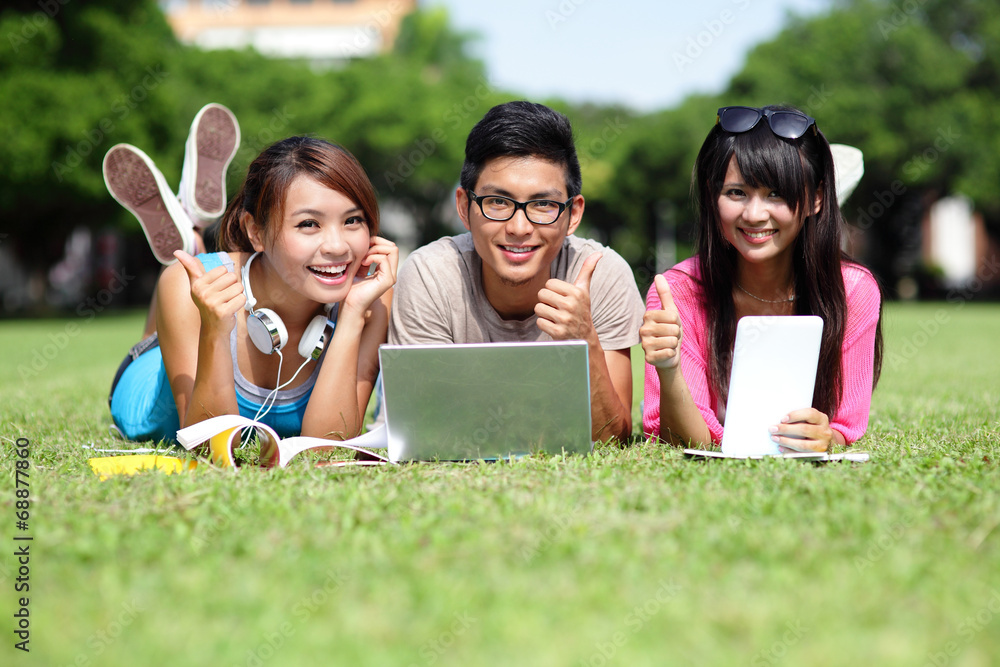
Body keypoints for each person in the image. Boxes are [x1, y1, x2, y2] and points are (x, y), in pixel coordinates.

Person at [107, 135, 397, 443]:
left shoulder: (370, 295)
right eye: (309, 224)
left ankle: (193, 237)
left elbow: (328, 447)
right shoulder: (187, 286)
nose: (338, 247)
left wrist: (351, 316)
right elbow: (209, 446)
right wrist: (215, 331)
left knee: (187, 278)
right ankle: (190, 246)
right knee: (179, 279)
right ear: (255, 232)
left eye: (352, 220)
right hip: (148, 380)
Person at [388, 101, 645, 442]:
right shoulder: (430, 274)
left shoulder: (602, 274)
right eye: (498, 202)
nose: (519, 227)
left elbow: (612, 437)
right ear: (464, 207)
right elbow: (426, 430)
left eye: (543, 205)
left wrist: (585, 340)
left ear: (573, 214)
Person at [640, 105, 883, 452]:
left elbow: (846, 423)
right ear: (712, 195)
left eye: (777, 194)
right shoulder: (678, 292)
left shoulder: (853, 290)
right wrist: (669, 368)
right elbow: (684, 441)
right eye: (736, 193)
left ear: (816, 198)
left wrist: (829, 437)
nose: (754, 215)